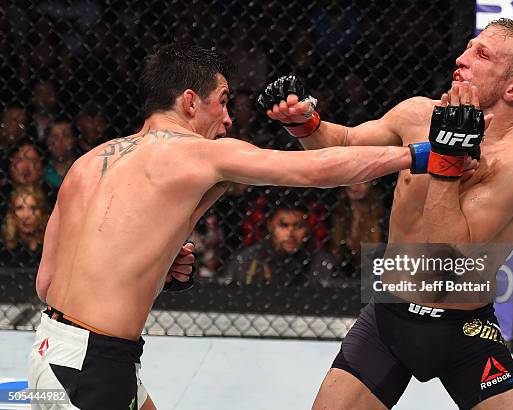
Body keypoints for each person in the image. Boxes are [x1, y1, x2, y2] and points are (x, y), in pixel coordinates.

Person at [30, 43, 433, 410]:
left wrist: (152, 268)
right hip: (91, 365)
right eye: (221, 103)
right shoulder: (197, 155)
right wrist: (420, 154)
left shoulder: (87, 163)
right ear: (190, 101)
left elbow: (47, 284)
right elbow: (318, 170)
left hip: (51, 352)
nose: (226, 119)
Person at [258, 18, 513, 410]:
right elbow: (345, 142)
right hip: (389, 316)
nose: (461, 58)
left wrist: (445, 160)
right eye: (468, 46)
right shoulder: (418, 113)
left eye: (481, 55)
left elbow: (449, 256)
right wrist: (305, 123)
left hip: (463, 330)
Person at [225, 189, 336, 286]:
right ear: (270, 225)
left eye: (299, 226)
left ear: (307, 228)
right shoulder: (247, 259)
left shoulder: (320, 261)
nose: (291, 233)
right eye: (283, 225)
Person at [0, 184, 50, 268]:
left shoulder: (51, 249)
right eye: (19, 208)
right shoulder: (4, 251)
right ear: (12, 213)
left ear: (42, 213)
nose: (26, 215)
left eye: (33, 208)